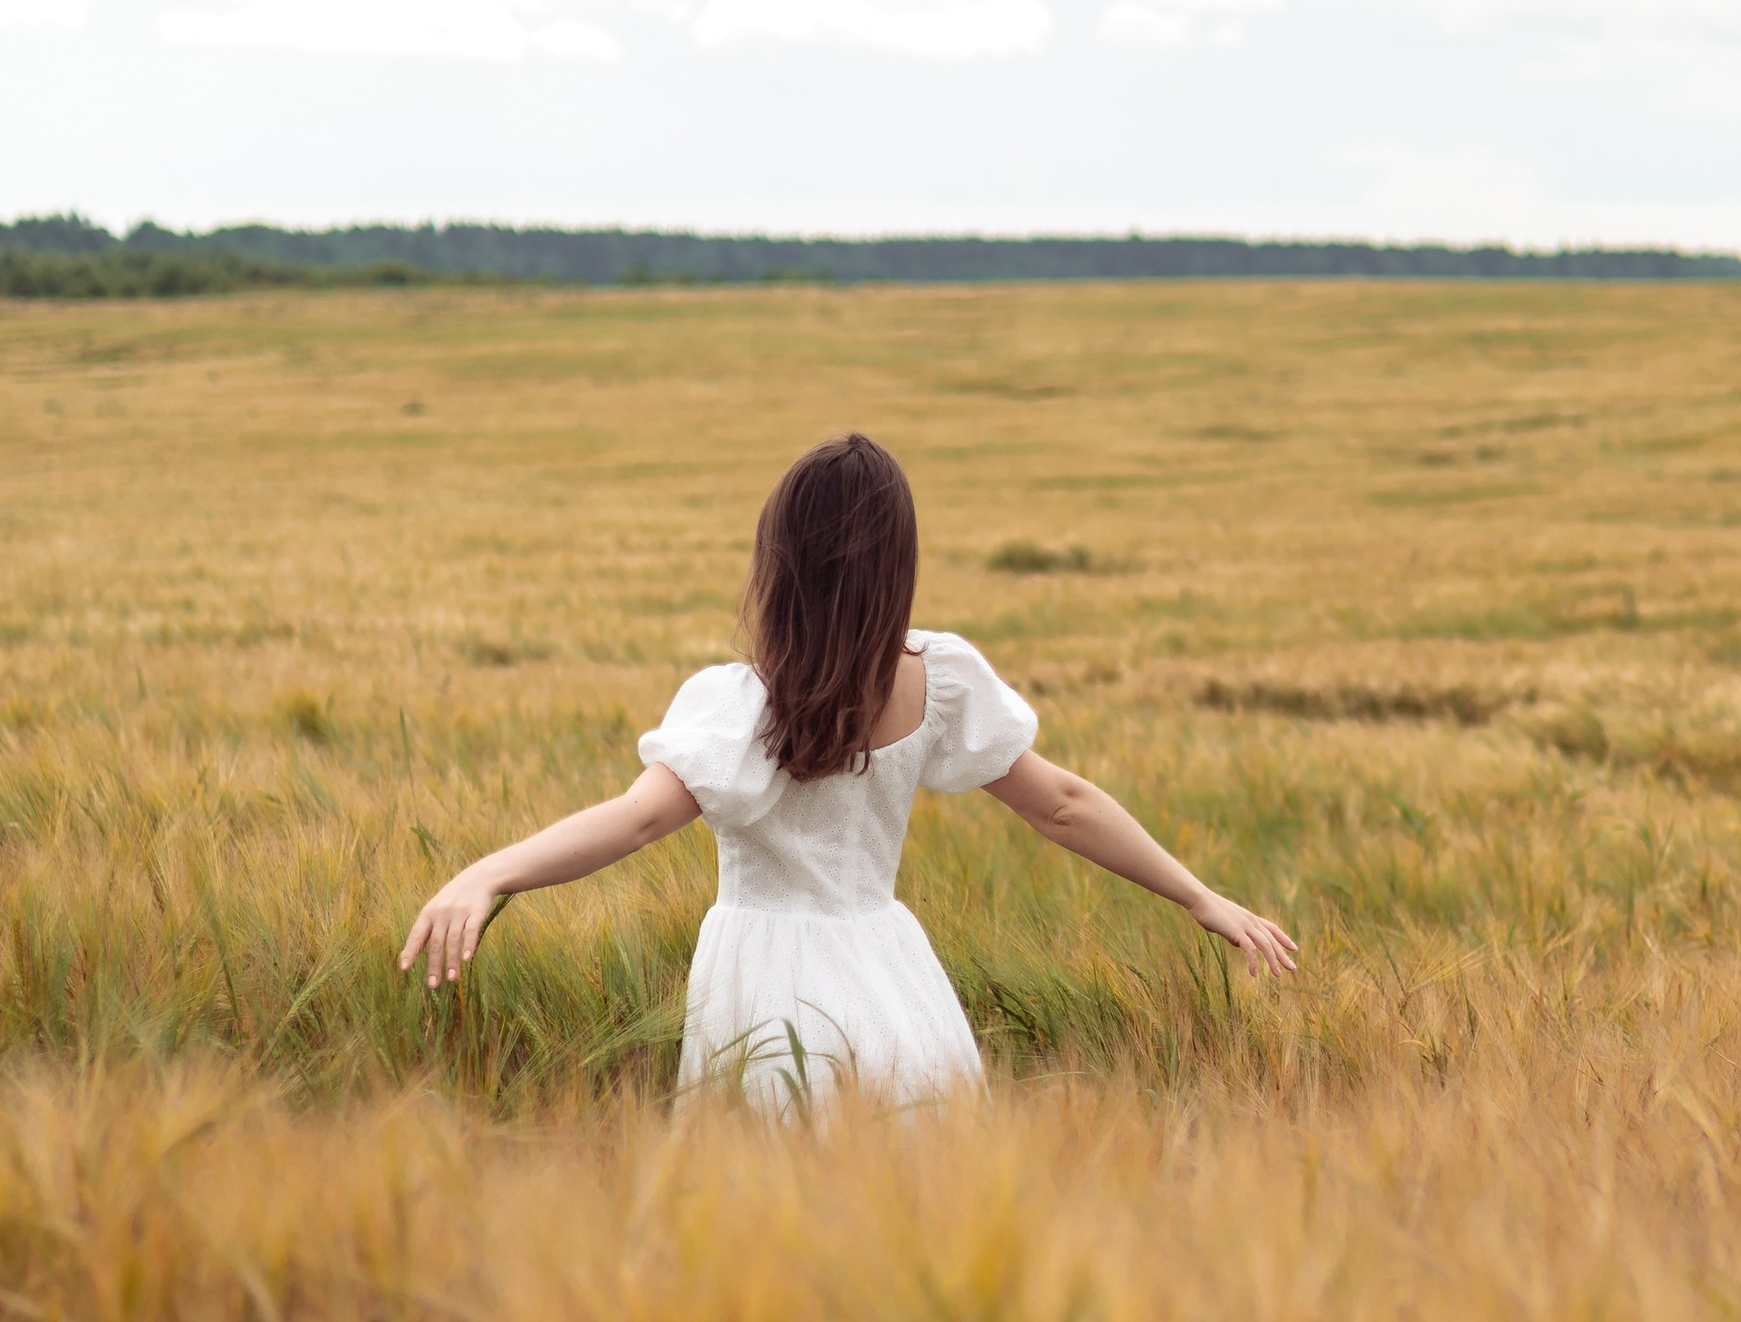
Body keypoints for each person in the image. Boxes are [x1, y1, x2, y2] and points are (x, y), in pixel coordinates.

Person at [399, 430, 1296, 1108]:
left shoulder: (740, 705)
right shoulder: (934, 681)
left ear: (779, 564)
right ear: (895, 567)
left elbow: (635, 819)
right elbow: (1061, 804)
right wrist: (1199, 897)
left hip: (762, 983)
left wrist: (488, 873)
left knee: (766, 1219)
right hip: (890, 974)